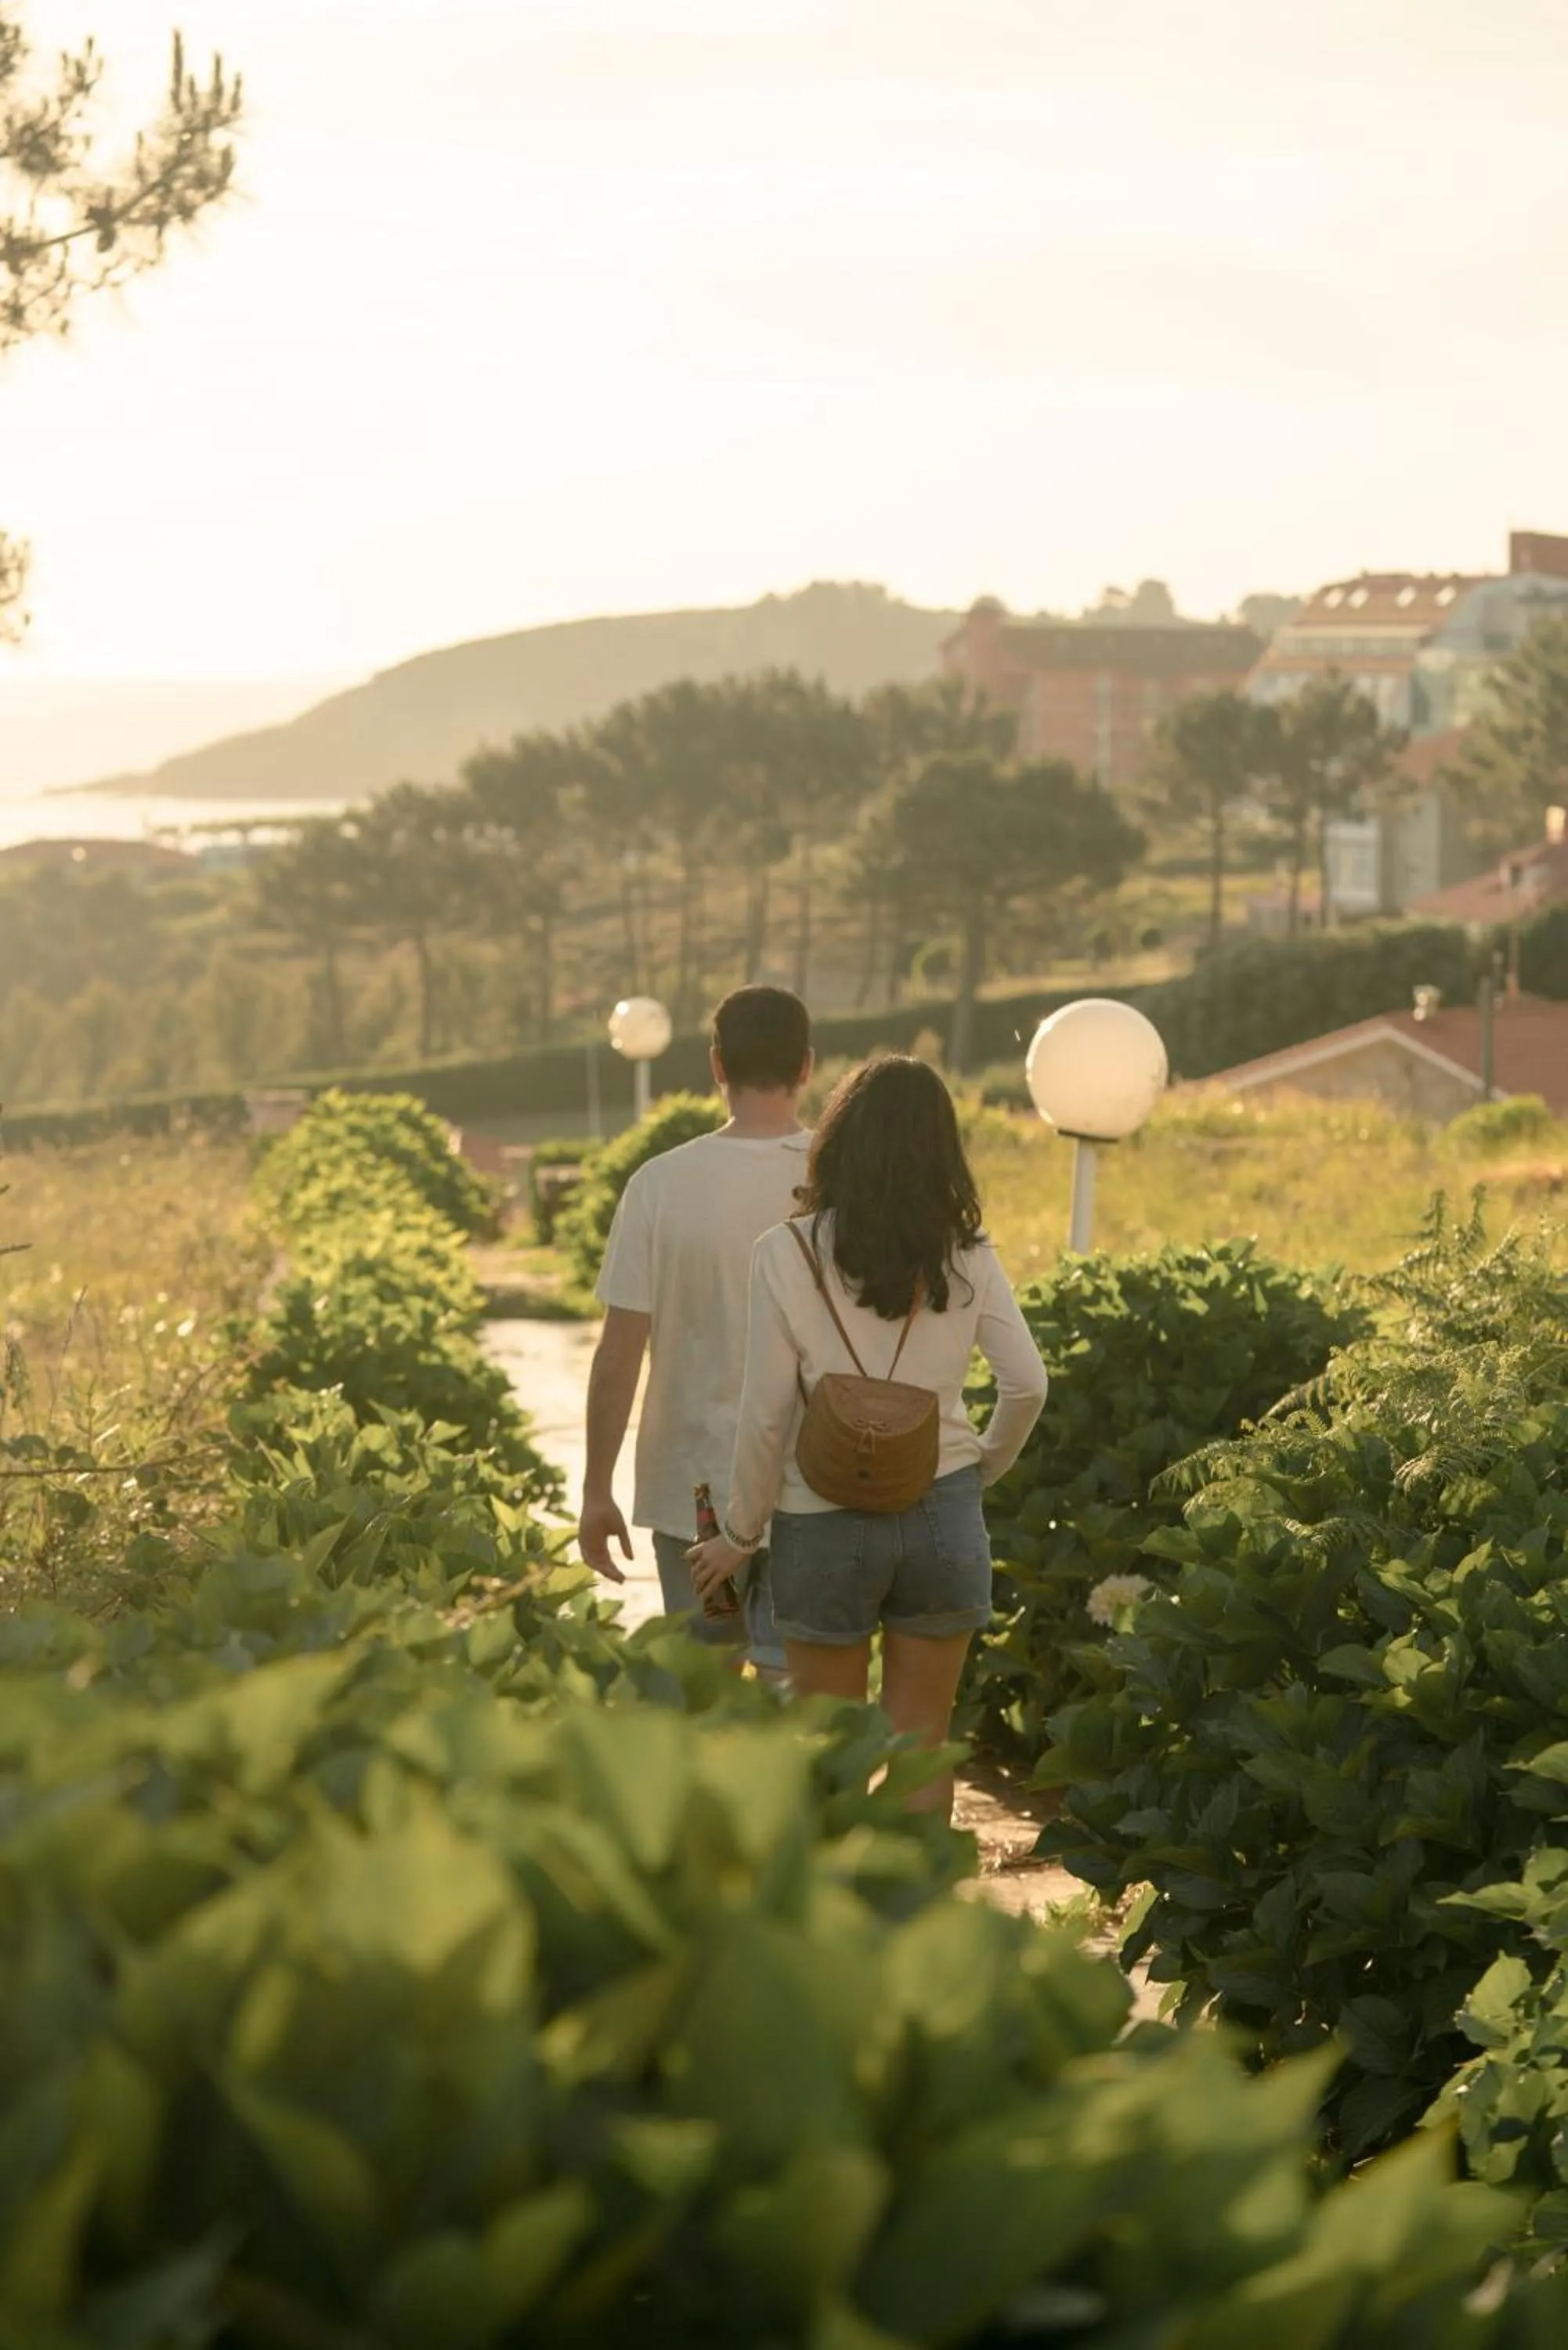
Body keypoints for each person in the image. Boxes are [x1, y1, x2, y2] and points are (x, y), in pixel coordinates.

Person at [688, 1055, 1047, 1816]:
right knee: (922, 1737)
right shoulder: (968, 1253)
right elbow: (1026, 1384)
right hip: (940, 1503)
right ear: (941, 1148)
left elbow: (765, 1413)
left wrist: (741, 1534)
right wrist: (975, 1469)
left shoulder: (784, 1252)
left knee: (834, 1740)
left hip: (820, 1515)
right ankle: (921, 1905)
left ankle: (842, 1916)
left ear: (838, 1142)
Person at [576, 985, 814, 1674]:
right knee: (796, 1690)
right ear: (806, 1066)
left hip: (695, 1497)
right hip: (812, 1488)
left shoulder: (659, 1184)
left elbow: (619, 1354)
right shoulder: (841, 1177)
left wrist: (596, 1489)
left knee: (703, 1690)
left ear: (716, 1066)